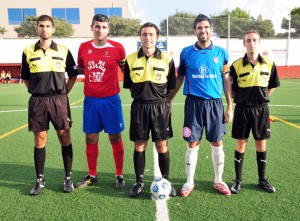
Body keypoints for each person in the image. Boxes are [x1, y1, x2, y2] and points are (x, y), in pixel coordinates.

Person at [169, 14, 233, 197]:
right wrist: (169, 100)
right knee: (192, 142)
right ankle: (189, 182)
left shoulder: (222, 53)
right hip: (193, 104)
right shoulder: (186, 52)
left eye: (206, 27)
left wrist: (229, 106)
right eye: (199, 28)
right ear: (194, 30)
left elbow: (226, 80)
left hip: (215, 104)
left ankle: (219, 180)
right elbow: (180, 77)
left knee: (216, 141)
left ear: (211, 29)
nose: (203, 30)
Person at [21, 15, 78, 195]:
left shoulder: (64, 50)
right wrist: (37, 91)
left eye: (48, 26)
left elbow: (73, 74)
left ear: (53, 29)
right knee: (40, 141)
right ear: (37, 29)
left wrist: (63, 93)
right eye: (41, 26)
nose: (44, 29)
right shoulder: (28, 51)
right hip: (38, 101)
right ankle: (40, 179)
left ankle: (68, 178)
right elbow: (25, 78)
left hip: (59, 100)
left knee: (65, 138)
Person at [123, 22, 177, 197]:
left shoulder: (167, 59)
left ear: (157, 37)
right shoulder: (130, 59)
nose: (148, 37)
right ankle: (139, 182)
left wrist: (161, 102)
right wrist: (143, 96)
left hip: (160, 107)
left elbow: (171, 87)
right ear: (140, 37)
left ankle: (166, 182)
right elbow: (129, 86)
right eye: (144, 34)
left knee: (162, 144)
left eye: (151, 34)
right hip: (139, 107)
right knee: (140, 144)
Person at [76, 14, 126, 190]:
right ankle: (92, 174)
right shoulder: (83, 47)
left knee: (115, 137)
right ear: (92, 28)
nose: (100, 30)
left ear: (108, 29)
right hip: (90, 101)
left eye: (104, 27)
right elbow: (81, 67)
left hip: (111, 100)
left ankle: (119, 174)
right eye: (97, 26)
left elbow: (124, 70)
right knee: (90, 138)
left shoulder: (118, 48)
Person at [230, 30, 280, 194]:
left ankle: (262, 180)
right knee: (241, 144)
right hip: (242, 110)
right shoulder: (236, 65)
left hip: (261, 110)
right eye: (248, 40)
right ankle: (237, 181)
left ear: (259, 42)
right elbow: (231, 89)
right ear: (244, 43)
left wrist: (262, 97)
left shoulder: (270, 64)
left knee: (261, 144)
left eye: (254, 40)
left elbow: (272, 85)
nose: (251, 43)